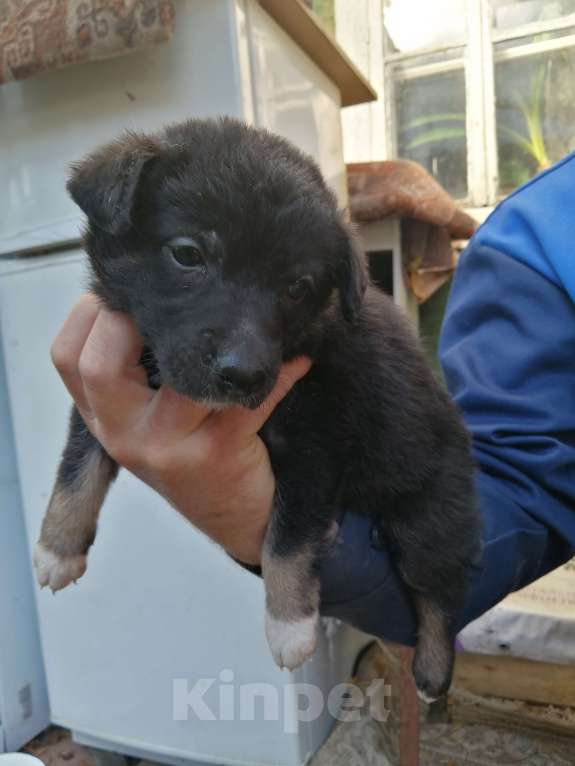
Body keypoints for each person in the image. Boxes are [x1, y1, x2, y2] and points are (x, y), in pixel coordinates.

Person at [51, 153, 575, 645]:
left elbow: (329, 463)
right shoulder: (539, 235)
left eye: (294, 289)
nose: (241, 353)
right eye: (190, 256)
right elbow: (522, 478)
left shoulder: (332, 354)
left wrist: (277, 558)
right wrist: (68, 524)